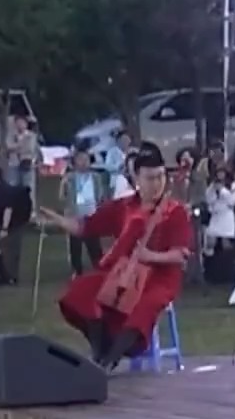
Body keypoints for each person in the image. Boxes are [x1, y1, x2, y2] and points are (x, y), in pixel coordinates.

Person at [37, 150, 192, 370]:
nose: (157, 183)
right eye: (150, 178)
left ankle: (111, 359)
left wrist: (150, 256)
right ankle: (100, 349)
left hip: (161, 277)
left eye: (160, 177)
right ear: (137, 179)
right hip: (123, 273)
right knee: (83, 290)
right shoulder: (123, 207)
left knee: (143, 305)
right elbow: (85, 226)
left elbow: (180, 254)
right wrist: (59, 221)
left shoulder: (175, 211)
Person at [60, 147, 110, 275]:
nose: (83, 162)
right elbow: (62, 197)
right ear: (75, 162)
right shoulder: (70, 178)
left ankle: (99, 269)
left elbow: (101, 195)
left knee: (94, 245)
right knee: (75, 246)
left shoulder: (96, 177)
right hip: (75, 216)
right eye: (80, 159)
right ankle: (77, 271)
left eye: (86, 159)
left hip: (91, 214)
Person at [203, 165, 235, 285]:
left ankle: (228, 272)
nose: (220, 175)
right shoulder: (212, 186)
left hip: (226, 217)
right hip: (216, 216)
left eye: (222, 172)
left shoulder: (232, 185)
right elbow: (209, 199)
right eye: (218, 173)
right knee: (210, 241)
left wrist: (222, 191)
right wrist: (215, 192)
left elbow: (233, 201)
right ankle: (210, 272)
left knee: (226, 243)